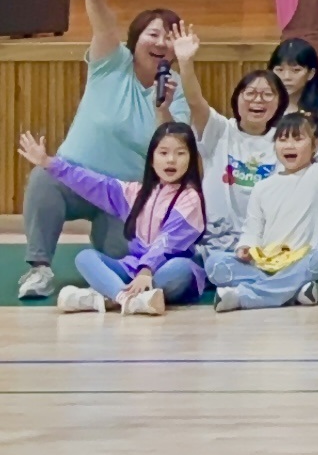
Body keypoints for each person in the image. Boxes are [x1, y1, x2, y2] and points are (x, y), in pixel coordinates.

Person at [19, 0, 192, 300]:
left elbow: (169, 147)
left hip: (122, 196)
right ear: (136, 38)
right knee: (43, 179)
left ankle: (114, 289)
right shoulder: (112, 62)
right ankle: (39, 268)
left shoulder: (176, 90)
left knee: (119, 254)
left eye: (169, 37)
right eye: (152, 34)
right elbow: (104, 28)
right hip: (74, 177)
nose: (159, 43)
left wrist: (163, 107)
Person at [205, 65, 318, 310]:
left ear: (316, 144)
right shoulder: (264, 185)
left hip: (303, 260)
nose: (289, 145)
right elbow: (252, 229)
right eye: (283, 139)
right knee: (215, 264)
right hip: (268, 263)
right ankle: (294, 291)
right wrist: (245, 248)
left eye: (298, 138)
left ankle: (246, 297)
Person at [15, 123, 207, 315]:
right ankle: (126, 299)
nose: (171, 160)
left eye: (180, 153)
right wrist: (49, 163)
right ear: (151, 159)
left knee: (178, 269)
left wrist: (146, 270)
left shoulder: (191, 199)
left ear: (191, 159)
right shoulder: (135, 192)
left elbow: (168, 243)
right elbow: (92, 183)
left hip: (163, 269)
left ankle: (103, 296)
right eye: (163, 153)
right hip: (134, 268)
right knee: (85, 258)